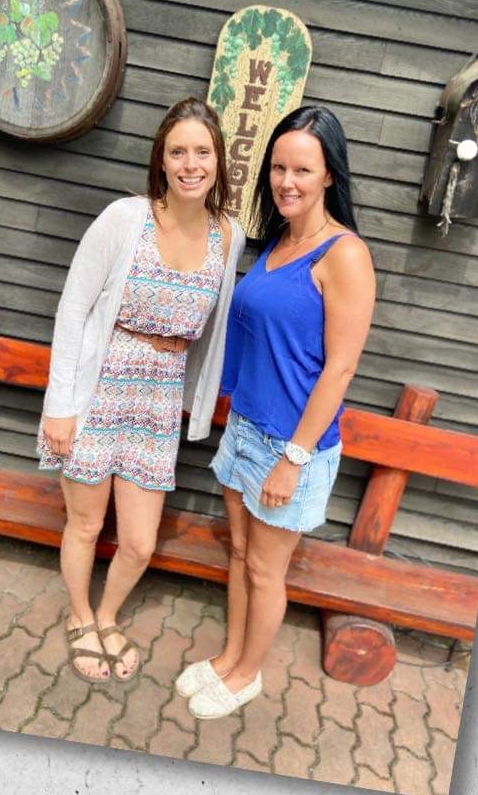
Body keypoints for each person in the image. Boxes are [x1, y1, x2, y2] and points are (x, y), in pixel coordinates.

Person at [35, 98, 243, 683]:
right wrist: (61, 408)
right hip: (99, 390)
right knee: (83, 524)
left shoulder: (230, 236)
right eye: (178, 151)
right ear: (161, 159)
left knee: (141, 542)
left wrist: (194, 401)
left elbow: (217, 327)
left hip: (156, 401)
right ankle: (80, 616)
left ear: (219, 160)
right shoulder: (125, 219)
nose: (190, 163)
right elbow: (74, 311)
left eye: (202, 151)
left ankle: (108, 614)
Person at [180, 104, 376, 720]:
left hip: (291, 446)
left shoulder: (344, 255)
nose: (287, 181)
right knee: (238, 556)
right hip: (245, 430)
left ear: (329, 177)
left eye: (303, 170)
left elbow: (339, 369)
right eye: (279, 167)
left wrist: (293, 457)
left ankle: (247, 676)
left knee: (266, 571)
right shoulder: (279, 242)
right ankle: (230, 657)